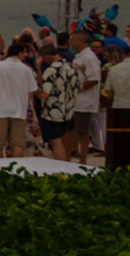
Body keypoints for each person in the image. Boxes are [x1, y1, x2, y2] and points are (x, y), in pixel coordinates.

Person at [0, 41, 39, 157]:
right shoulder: (26, 69)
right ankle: (15, 171)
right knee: (17, 145)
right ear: (20, 53)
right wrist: (24, 103)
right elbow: (31, 91)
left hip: (0, 110)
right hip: (19, 111)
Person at [34, 44, 80, 161]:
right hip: (68, 109)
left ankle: (60, 166)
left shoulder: (51, 70)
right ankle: (66, 161)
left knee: (56, 142)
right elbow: (78, 86)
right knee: (64, 140)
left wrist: (34, 92)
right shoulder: (71, 67)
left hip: (53, 112)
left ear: (48, 56)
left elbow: (44, 94)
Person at [69, 33, 102, 164]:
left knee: (82, 131)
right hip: (74, 101)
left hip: (84, 101)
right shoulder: (78, 57)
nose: (71, 42)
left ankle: (83, 159)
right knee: (70, 129)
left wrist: (79, 89)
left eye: (73, 40)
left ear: (81, 40)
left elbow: (93, 79)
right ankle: (68, 154)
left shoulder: (89, 57)